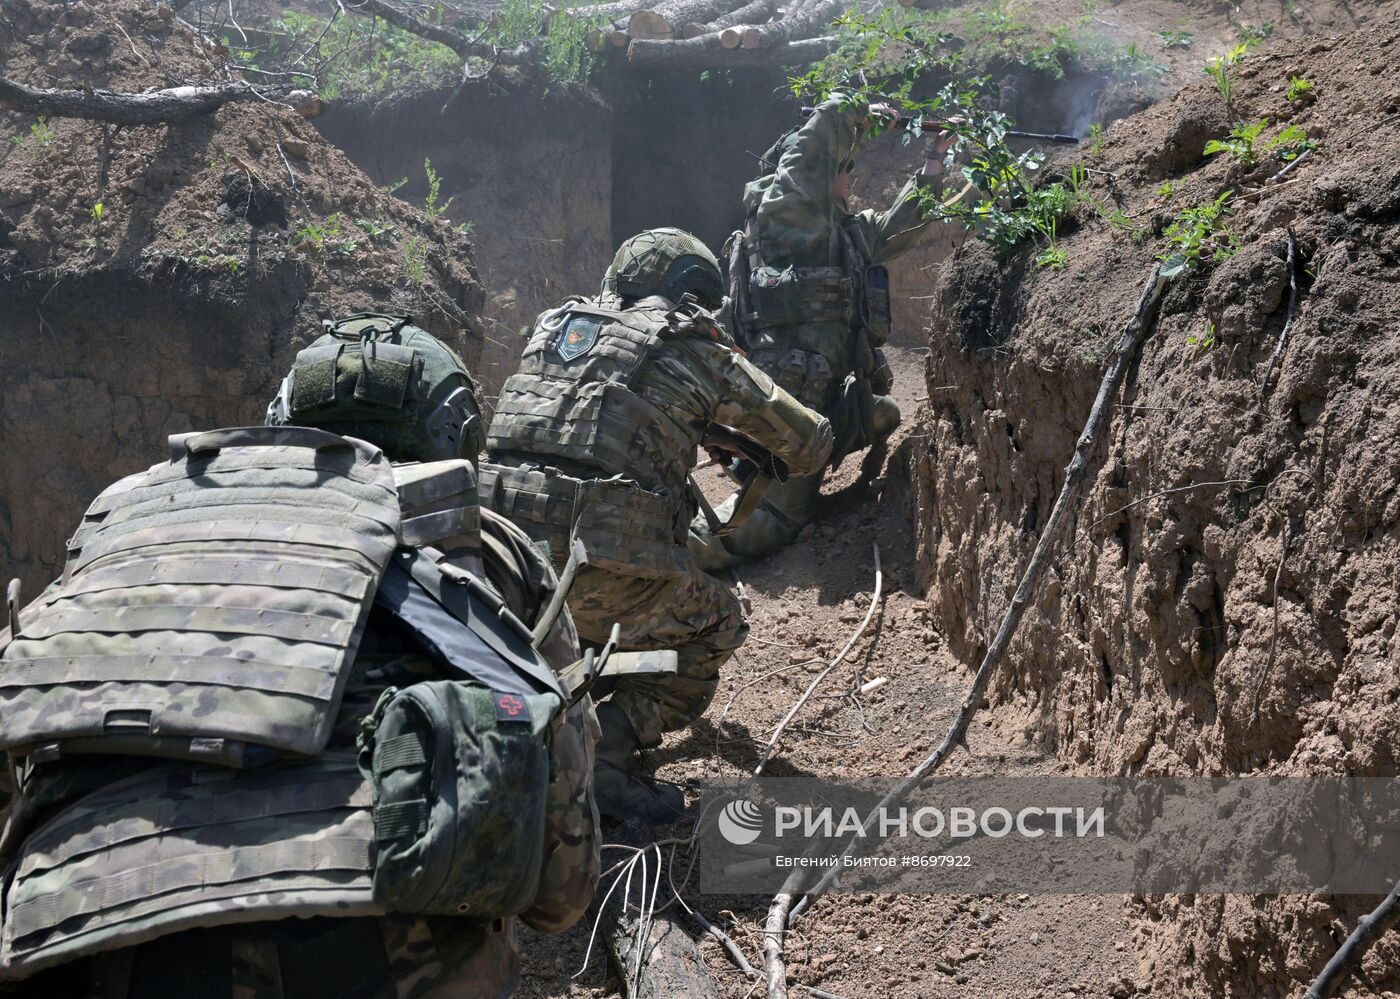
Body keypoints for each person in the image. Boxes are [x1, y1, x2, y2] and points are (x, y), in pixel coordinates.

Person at [0, 315, 598, 998]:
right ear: (457, 434)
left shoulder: (130, 523)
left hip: (91, 943)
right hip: (387, 954)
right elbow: (562, 885)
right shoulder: (488, 546)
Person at [479, 229, 833, 823]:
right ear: (693, 294)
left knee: (589, 606)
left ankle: (548, 712)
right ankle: (601, 753)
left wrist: (690, 422)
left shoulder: (551, 328)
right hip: (603, 574)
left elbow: (585, 418)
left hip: (504, 568)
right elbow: (809, 442)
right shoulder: (694, 345)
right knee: (715, 625)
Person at [688, 95, 956, 571]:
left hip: (822, 395)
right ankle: (678, 546)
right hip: (784, 401)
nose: (849, 176)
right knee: (776, 522)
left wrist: (935, 160)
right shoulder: (786, 218)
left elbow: (902, 225)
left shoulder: (842, 230)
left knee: (883, 413)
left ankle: (771, 470)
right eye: (843, 166)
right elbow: (814, 143)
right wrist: (855, 113)